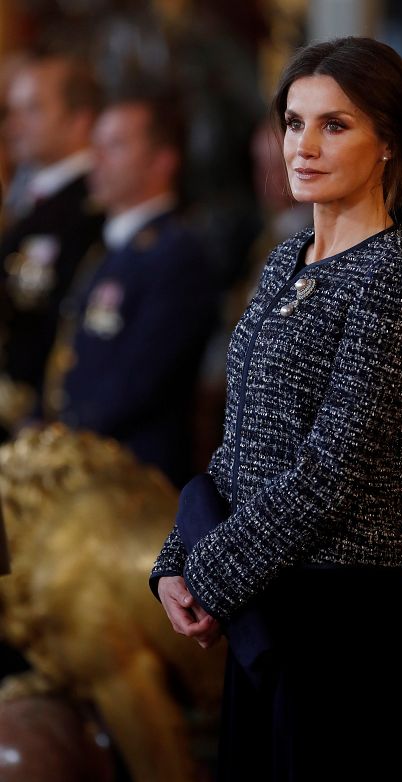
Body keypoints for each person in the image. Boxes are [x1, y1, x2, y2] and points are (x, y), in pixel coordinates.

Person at [150, 36, 402, 782]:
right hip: (266, 607)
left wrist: (214, 575)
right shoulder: (286, 260)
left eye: (334, 125)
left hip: (340, 627)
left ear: (389, 143)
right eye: (292, 121)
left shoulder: (396, 273)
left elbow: (332, 468)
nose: (303, 146)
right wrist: (177, 561)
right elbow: (239, 444)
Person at [40, 95, 218, 489]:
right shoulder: (110, 247)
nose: (97, 159)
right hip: (84, 467)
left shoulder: (175, 254)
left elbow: (141, 380)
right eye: (96, 145)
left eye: (116, 146)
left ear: (163, 161)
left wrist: (66, 436)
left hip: (133, 480)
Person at [0, 51, 103, 436]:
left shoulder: (89, 211)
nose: (13, 126)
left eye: (32, 110)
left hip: (44, 424)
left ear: (79, 120)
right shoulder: (27, 201)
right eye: (12, 111)